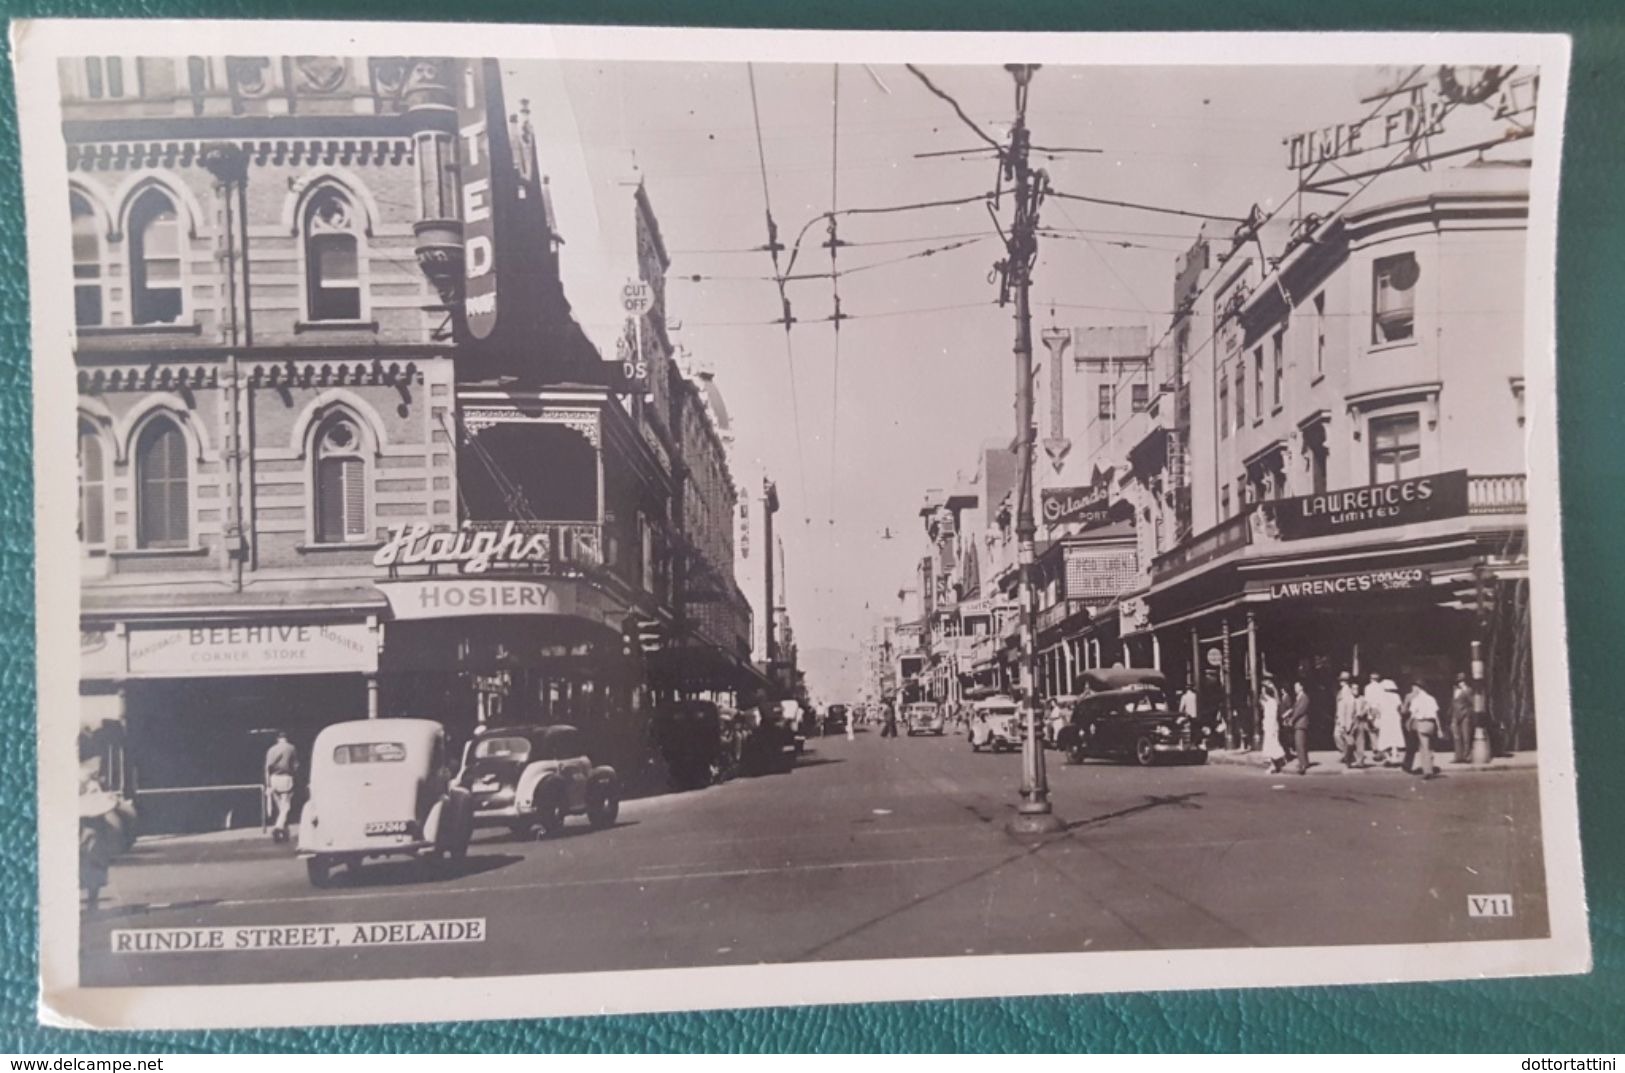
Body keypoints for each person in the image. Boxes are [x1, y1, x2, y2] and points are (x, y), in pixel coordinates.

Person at [264, 730, 299, 842]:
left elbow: (267, 768)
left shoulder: (271, 750)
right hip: (286, 778)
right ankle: (278, 827)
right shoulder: (291, 748)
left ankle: (283, 833)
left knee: (280, 807)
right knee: (286, 807)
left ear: (277, 739)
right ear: (286, 738)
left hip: (273, 779)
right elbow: (295, 765)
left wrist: (268, 784)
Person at [1407, 681, 1442, 779]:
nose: (1413, 690)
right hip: (1431, 724)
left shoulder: (1417, 700)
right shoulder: (1431, 698)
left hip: (1422, 724)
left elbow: (1413, 714)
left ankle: (1427, 770)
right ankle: (1429, 765)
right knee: (1430, 746)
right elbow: (1436, 716)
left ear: (1418, 688)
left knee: (1424, 747)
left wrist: (1409, 723)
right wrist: (1439, 729)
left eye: (1414, 688)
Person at [1370, 676, 1406, 766]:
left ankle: (1388, 758)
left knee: (1384, 738)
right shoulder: (1396, 696)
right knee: (1394, 739)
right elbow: (1399, 708)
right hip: (1395, 719)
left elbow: (1375, 709)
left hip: (1385, 719)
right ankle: (1394, 757)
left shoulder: (1380, 696)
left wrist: (1374, 718)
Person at [1284, 679, 1312, 775]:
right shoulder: (1299, 697)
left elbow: (1300, 710)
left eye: (1297, 686)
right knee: (1301, 744)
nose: (1295, 689)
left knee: (1299, 744)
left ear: (1301, 687)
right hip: (1299, 723)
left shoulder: (1304, 697)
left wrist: (1292, 719)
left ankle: (1302, 765)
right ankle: (1305, 762)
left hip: (1301, 723)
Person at [1258, 677, 1285, 774]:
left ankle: (1273, 765)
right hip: (1270, 725)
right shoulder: (1272, 702)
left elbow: (1262, 698)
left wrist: (1270, 688)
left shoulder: (1269, 702)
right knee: (1272, 744)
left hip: (1271, 726)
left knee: (1271, 745)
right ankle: (1277, 763)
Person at [1334, 671, 1360, 767]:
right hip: (1340, 718)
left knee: (1342, 737)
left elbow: (1348, 708)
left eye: (1343, 680)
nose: (1341, 682)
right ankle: (1347, 755)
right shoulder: (1342, 691)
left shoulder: (1346, 691)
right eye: (1341, 680)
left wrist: (1346, 722)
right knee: (1339, 736)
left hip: (1344, 719)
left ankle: (1349, 756)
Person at [1451, 672, 1475, 763]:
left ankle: (1467, 757)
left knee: (1466, 736)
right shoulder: (1454, 690)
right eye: (1459, 681)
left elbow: (1472, 702)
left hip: (1465, 715)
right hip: (1455, 715)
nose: (1461, 683)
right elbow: (1453, 703)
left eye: (1463, 681)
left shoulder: (1468, 690)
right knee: (1456, 736)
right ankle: (1458, 756)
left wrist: (1465, 690)